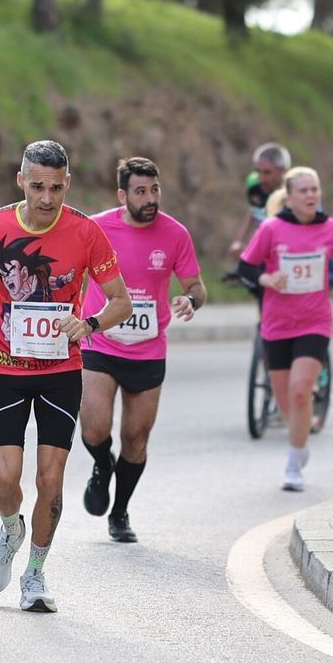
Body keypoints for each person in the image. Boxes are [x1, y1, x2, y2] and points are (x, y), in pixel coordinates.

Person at [0, 140, 133, 613]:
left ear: (67, 184)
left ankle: (35, 573)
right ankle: (11, 528)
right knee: (4, 478)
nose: (47, 198)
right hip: (6, 369)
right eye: (37, 186)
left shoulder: (85, 232)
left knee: (50, 480)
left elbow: (121, 300)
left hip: (62, 371)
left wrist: (90, 324)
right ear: (21, 182)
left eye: (56, 188)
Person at [77, 157, 206, 543]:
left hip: (148, 349)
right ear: (122, 195)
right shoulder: (98, 227)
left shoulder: (175, 234)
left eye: (155, 190)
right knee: (95, 427)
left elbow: (197, 285)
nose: (150, 199)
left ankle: (120, 512)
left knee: (136, 438)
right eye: (140, 191)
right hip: (100, 339)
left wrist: (190, 301)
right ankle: (102, 466)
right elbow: (71, 270)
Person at [237, 167, 333, 492]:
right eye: (303, 191)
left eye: (314, 189)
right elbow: (246, 266)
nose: (310, 195)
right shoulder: (272, 229)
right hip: (276, 325)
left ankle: (293, 466)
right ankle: (300, 443)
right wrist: (265, 278)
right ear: (288, 197)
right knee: (286, 402)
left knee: (300, 390)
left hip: (314, 322)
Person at [229, 142, 292, 254]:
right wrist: (239, 241)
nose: (262, 178)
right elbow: (253, 213)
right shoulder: (254, 187)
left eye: (267, 173)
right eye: (258, 172)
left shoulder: (295, 195)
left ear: (284, 171)